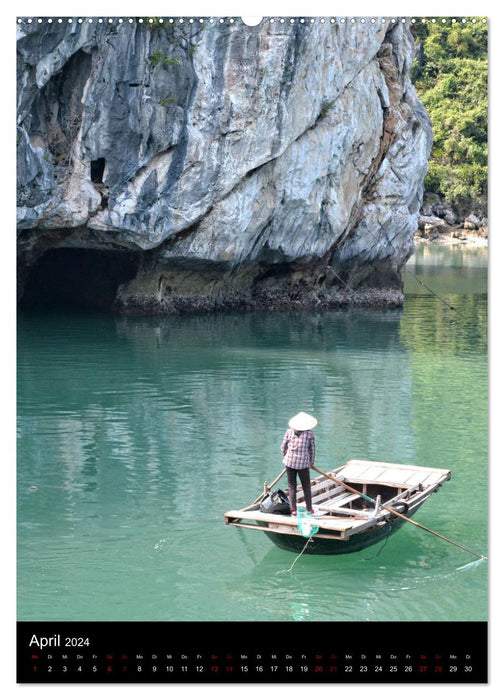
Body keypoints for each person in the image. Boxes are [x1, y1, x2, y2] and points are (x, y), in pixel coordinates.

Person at [280, 412, 317, 516]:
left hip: (289, 462)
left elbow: (283, 447)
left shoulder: (289, 432)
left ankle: (293, 510)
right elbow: (312, 450)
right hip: (303, 464)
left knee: (292, 486)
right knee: (306, 486)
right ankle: (309, 509)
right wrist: (312, 463)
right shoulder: (309, 434)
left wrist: (284, 458)